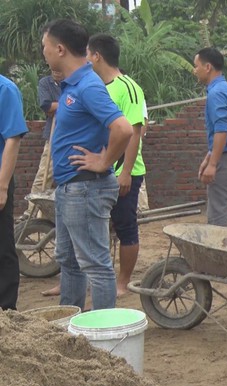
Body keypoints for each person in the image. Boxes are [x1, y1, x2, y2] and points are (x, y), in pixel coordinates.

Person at [41, 19, 132, 311]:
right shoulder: (73, 85)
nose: (43, 52)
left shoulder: (88, 85)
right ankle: (70, 325)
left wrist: (104, 161)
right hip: (71, 188)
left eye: (44, 46)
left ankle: (103, 335)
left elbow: (124, 128)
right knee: (69, 260)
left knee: (96, 264)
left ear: (59, 49)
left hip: (85, 188)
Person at [87, 34, 146, 297]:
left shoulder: (128, 87)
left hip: (125, 171)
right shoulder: (95, 86)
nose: (86, 59)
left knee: (125, 226)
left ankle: (122, 282)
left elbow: (135, 132)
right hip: (99, 170)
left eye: (87, 54)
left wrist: (125, 172)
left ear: (96, 55)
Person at [193, 47, 227, 227]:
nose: (195, 70)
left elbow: (222, 130)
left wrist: (213, 164)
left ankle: (218, 253)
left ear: (208, 67)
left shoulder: (216, 93)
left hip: (226, 157)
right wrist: (209, 156)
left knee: (217, 214)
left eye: (196, 66)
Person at [18, 69, 62, 223]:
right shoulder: (45, 83)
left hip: (71, 136)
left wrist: (60, 105)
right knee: (44, 174)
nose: (56, 71)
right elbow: (47, 106)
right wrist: (67, 103)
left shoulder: (71, 81)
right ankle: (31, 212)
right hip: (53, 136)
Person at [0, 74, 28, 311]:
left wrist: (2, 186)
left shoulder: (5, 89)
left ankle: (6, 309)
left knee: (2, 245)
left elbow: (13, 138)